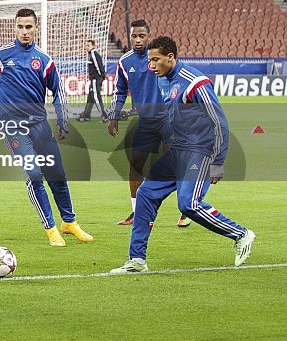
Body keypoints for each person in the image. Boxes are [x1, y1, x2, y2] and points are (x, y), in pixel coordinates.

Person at [110, 36, 254, 273]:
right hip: (179, 150)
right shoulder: (163, 80)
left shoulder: (195, 82)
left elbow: (219, 123)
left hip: (201, 151)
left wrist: (217, 162)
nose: (151, 65)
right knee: (146, 193)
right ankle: (137, 260)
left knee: (188, 204)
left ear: (171, 57)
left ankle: (242, 234)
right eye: (149, 60)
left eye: (155, 60)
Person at [0, 8, 93, 247]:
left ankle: (69, 223)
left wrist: (62, 118)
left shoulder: (45, 61)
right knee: (35, 175)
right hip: (12, 127)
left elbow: (58, 90)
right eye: (20, 26)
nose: (24, 31)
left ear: (36, 28)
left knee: (57, 174)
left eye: (29, 27)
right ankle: (50, 228)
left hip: (39, 126)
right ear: (14, 27)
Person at [107, 19, 188, 227]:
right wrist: (115, 115)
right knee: (135, 165)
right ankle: (137, 213)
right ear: (129, 36)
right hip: (145, 121)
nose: (138, 40)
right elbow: (120, 90)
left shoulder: (157, 58)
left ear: (148, 36)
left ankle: (187, 209)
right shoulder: (125, 62)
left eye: (142, 36)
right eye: (134, 36)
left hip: (168, 119)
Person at [77, 40, 107, 122]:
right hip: (94, 79)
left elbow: (98, 66)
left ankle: (104, 116)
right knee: (90, 97)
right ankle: (86, 115)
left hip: (95, 79)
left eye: (88, 45)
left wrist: (102, 76)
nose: (86, 47)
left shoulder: (93, 54)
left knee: (96, 97)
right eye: (86, 45)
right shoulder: (91, 54)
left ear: (93, 46)